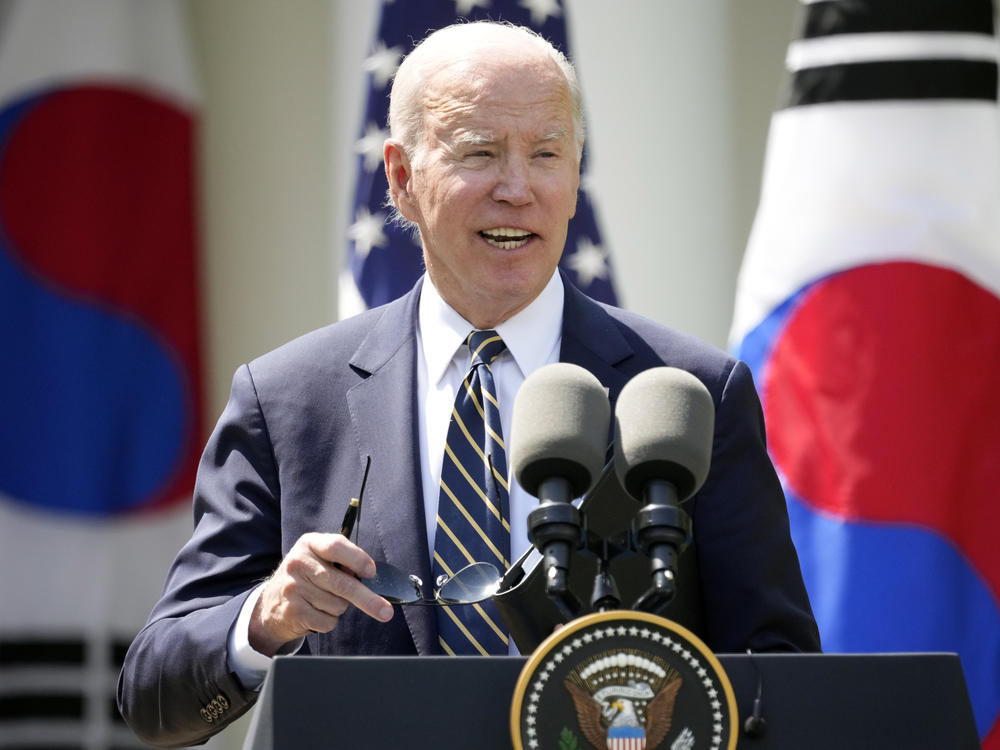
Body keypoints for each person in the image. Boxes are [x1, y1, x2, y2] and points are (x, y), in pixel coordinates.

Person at [118, 21, 820, 747]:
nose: (517, 189)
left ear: (576, 173)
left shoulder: (687, 395)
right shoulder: (289, 401)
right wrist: (264, 618)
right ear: (400, 177)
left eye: (547, 154)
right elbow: (153, 695)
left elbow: (784, 674)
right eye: (479, 153)